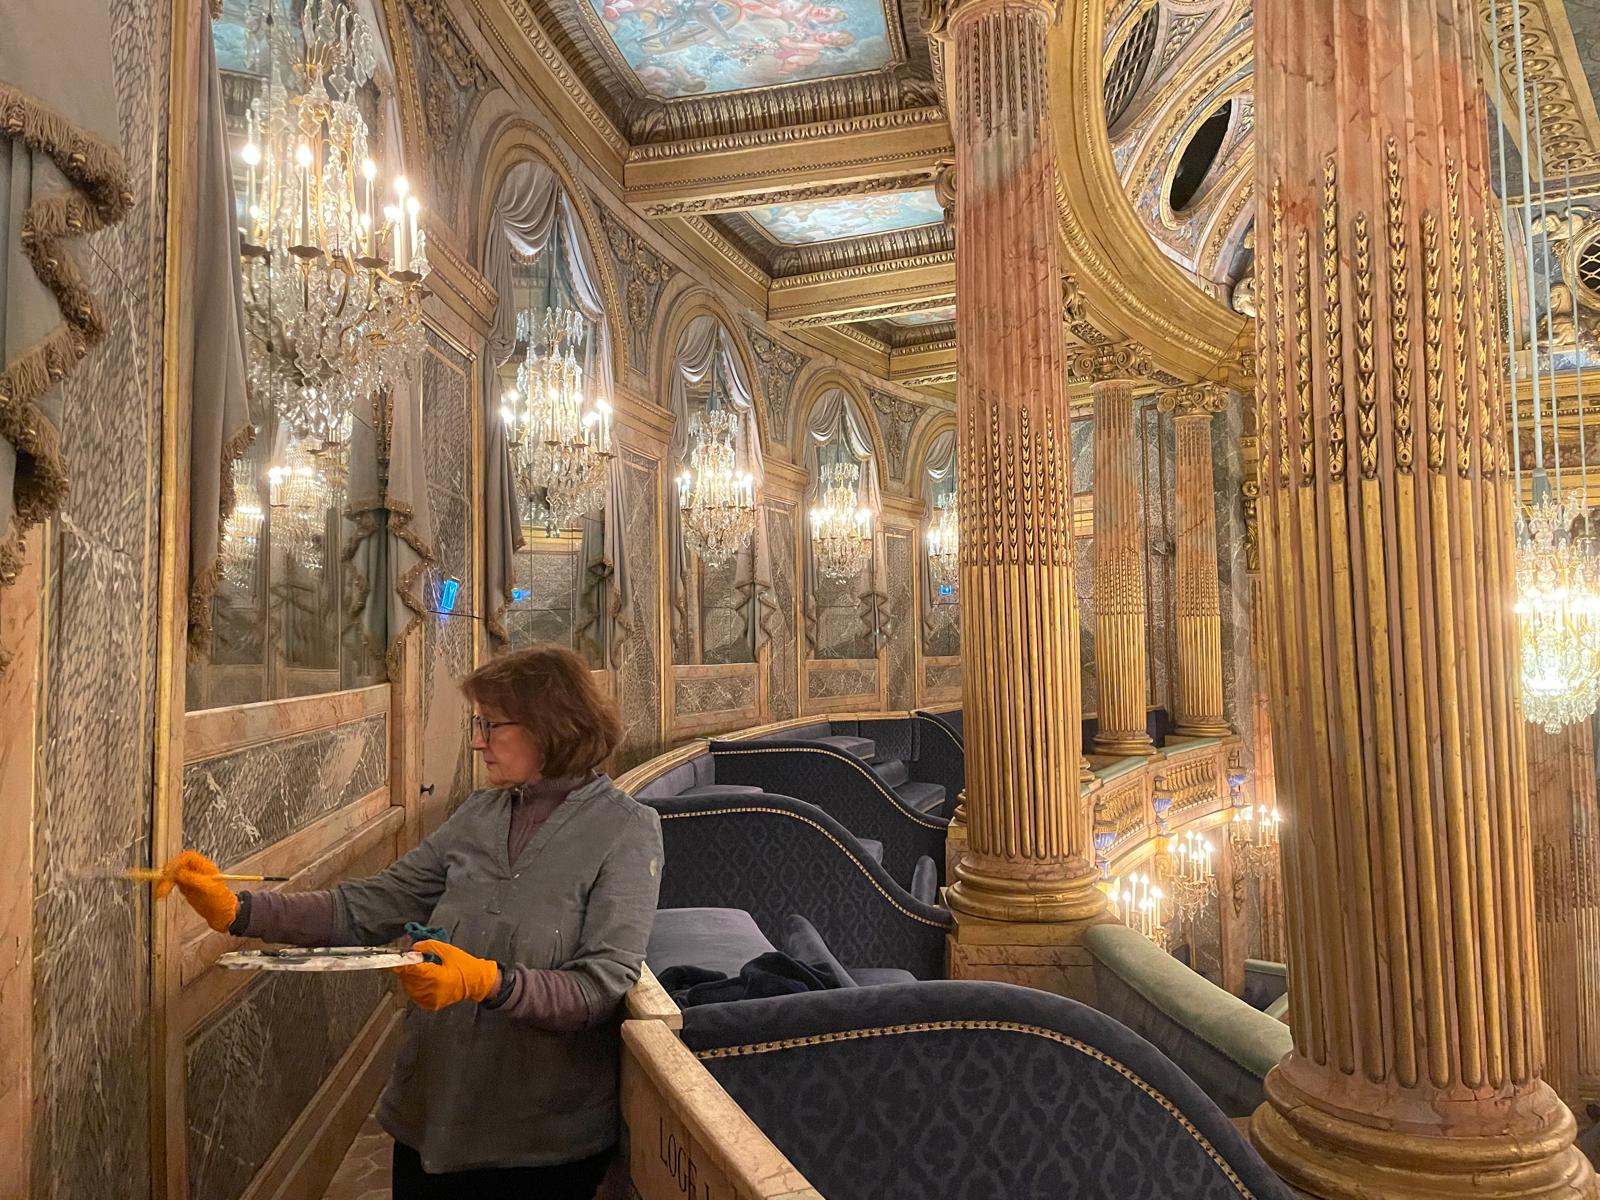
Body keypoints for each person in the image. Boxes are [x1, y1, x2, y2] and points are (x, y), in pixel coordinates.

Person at [156, 645, 664, 1200]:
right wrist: (240, 910)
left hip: (539, 1142)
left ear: (551, 726)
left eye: (490, 725)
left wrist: (489, 982)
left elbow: (600, 988)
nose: (477, 742)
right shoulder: (478, 813)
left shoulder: (626, 829)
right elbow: (368, 906)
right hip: (428, 1116)